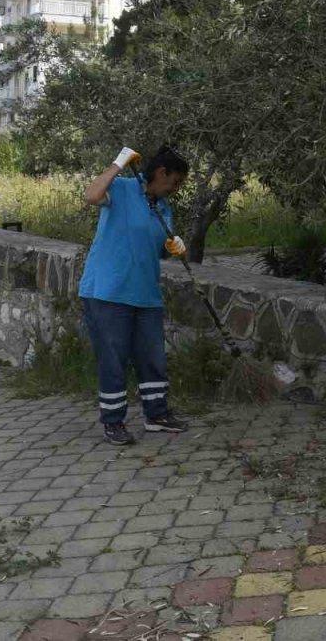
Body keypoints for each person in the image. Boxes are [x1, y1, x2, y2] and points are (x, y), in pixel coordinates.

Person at [80, 144, 193, 445]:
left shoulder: (162, 208)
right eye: (176, 181)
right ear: (160, 172)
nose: (177, 188)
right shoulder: (123, 188)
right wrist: (118, 163)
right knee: (113, 359)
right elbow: (91, 196)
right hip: (108, 292)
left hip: (145, 294)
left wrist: (173, 248)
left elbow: (154, 247)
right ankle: (113, 422)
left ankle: (156, 415)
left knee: (152, 357)